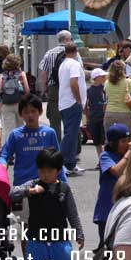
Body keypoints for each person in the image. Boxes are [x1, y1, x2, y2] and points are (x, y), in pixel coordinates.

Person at [9, 148, 84, 260]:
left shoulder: (64, 189)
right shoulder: (32, 184)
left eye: (49, 171)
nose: (45, 175)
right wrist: (29, 192)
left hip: (59, 242)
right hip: (36, 242)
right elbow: (12, 194)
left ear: (58, 170)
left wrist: (79, 233)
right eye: (42, 171)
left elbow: (72, 213)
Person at [0, 94, 65, 187]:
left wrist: (64, 184)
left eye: (33, 111)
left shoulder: (49, 133)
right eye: (26, 112)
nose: (30, 115)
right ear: (21, 114)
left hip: (45, 183)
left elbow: (58, 161)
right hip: (22, 184)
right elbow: (4, 155)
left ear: (40, 112)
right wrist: (2, 165)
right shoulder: (15, 134)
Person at [93, 123, 131, 248]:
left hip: (125, 210)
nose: (127, 144)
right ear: (113, 143)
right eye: (123, 141)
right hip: (107, 211)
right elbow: (116, 172)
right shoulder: (106, 156)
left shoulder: (129, 157)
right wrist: (129, 153)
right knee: (107, 249)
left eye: (128, 140)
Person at [57, 43, 87, 176]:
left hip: (64, 102)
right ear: (76, 51)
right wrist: (79, 100)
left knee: (72, 134)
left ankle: (70, 163)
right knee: (71, 134)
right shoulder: (74, 64)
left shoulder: (63, 64)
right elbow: (74, 83)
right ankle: (63, 163)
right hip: (72, 103)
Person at [38, 30, 72, 142]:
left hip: (54, 88)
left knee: (55, 119)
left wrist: (44, 89)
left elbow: (43, 73)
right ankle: (72, 148)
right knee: (70, 118)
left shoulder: (49, 53)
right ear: (67, 39)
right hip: (70, 88)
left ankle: (56, 145)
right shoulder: (72, 53)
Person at [104, 60, 131, 136]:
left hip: (110, 112)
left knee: (110, 139)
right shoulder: (128, 81)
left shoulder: (107, 82)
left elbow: (106, 95)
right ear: (123, 70)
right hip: (125, 113)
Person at [0, 53, 30, 132]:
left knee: (9, 129)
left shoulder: (3, 75)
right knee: (20, 127)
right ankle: (20, 144)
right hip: (19, 104)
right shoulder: (21, 74)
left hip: (7, 104)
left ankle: (10, 144)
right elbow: (27, 90)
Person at [86, 68, 108, 157]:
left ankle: (107, 159)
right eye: (103, 76)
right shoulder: (89, 90)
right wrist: (88, 117)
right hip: (93, 118)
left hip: (103, 117)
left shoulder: (105, 88)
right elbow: (86, 105)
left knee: (105, 141)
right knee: (97, 142)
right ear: (97, 77)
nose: (104, 77)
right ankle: (101, 160)